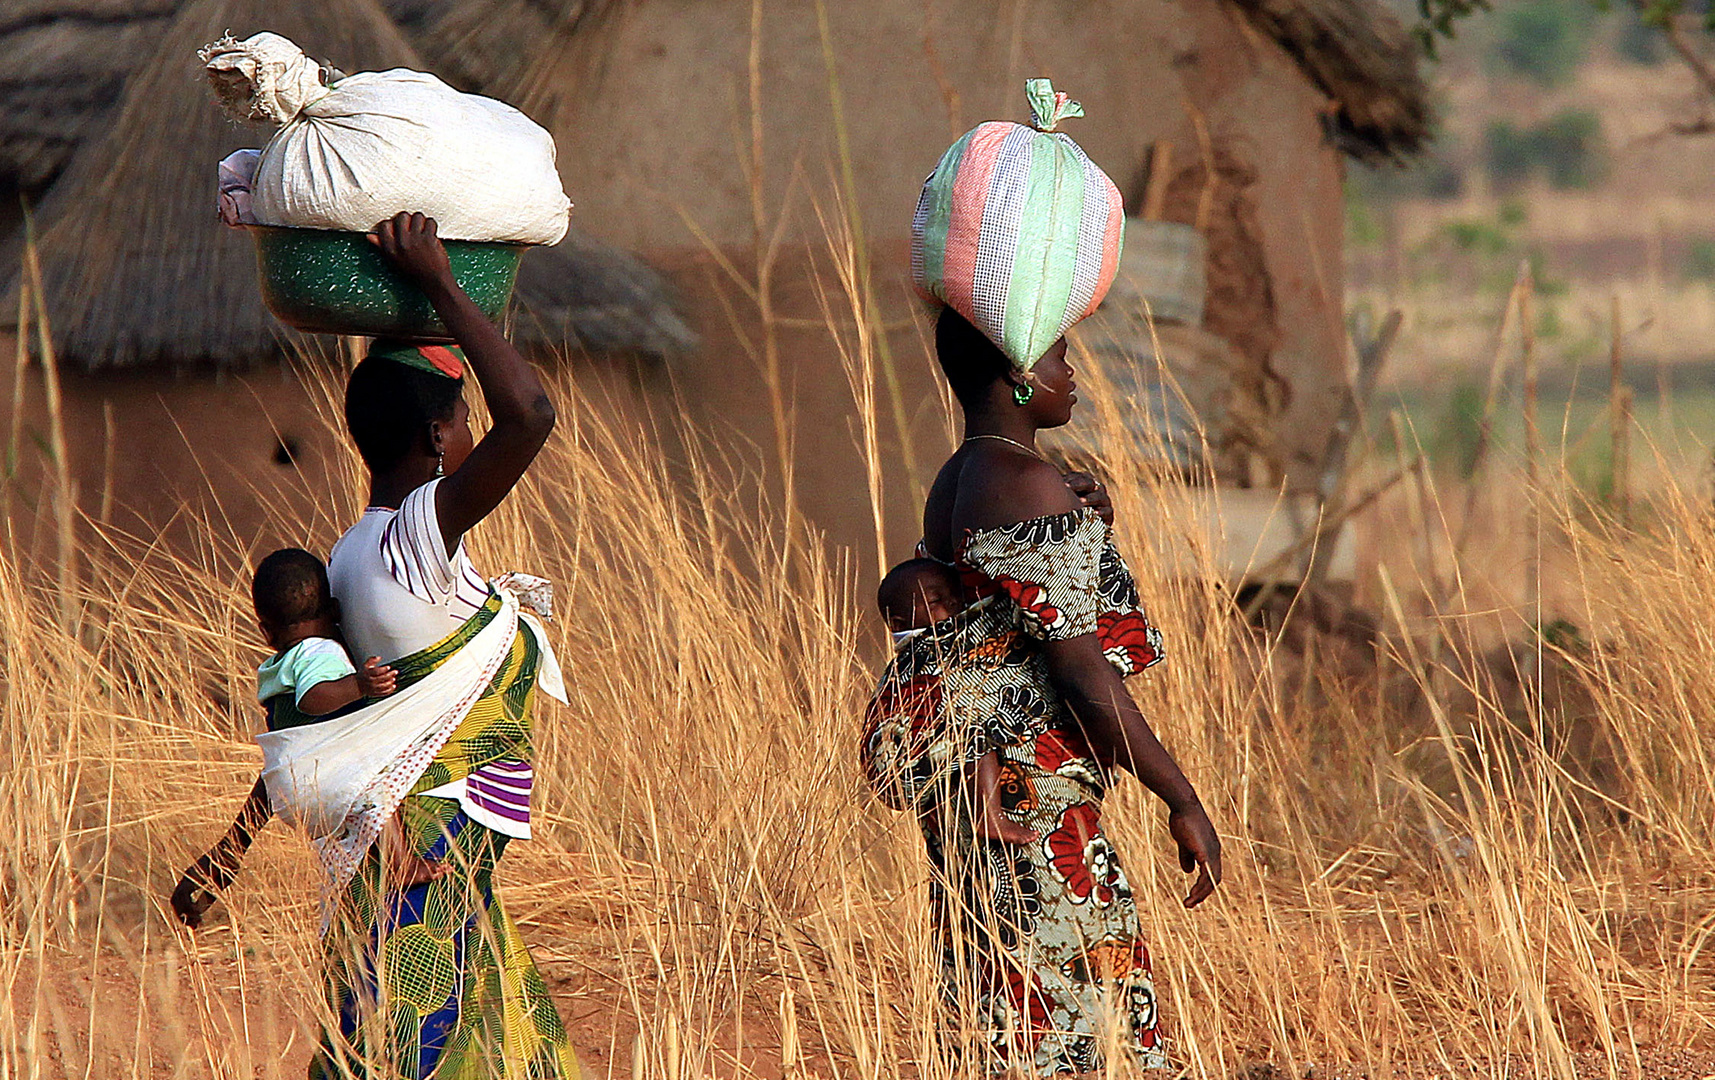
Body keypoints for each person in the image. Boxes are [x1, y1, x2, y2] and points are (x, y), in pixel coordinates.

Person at [173, 212, 578, 1080]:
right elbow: (533, 413)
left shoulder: (349, 557)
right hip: (423, 851)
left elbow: (322, 722)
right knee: (411, 1047)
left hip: (415, 851)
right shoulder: (414, 538)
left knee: (408, 1033)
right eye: (461, 421)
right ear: (437, 438)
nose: (471, 434)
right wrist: (439, 282)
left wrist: (231, 849)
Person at [861, 306, 1222, 1076]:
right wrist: (1180, 798)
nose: (1073, 380)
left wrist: (1086, 522)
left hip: (989, 794)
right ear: (1022, 379)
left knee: (1007, 1015)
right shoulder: (1021, 483)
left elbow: (1010, 617)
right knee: (1061, 1029)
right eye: (1061, 363)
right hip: (1028, 803)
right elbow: (1084, 679)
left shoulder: (965, 474)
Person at [170, 548, 405, 928]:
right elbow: (313, 698)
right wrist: (360, 685)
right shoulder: (320, 652)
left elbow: (284, 758)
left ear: (265, 632)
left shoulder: (277, 669)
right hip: (334, 779)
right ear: (336, 610)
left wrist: (233, 846)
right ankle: (403, 863)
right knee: (380, 786)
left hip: (290, 790)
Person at [878, 558, 1036, 846]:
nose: (952, 605)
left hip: (903, 769)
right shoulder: (930, 651)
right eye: (937, 600)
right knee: (973, 713)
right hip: (902, 761)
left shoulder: (904, 662)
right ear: (899, 623)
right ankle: (988, 816)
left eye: (955, 596)